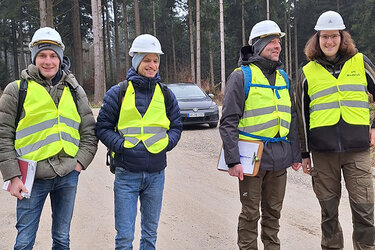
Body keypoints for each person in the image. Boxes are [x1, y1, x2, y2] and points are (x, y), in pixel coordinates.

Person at [0, 27, 98, 249]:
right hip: (30, 179)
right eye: (42, 55)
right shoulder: (17, 90)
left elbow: (89, 132)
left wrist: (80, 163)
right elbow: (3, 135)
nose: (48, 61)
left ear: (60, 58)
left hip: (67, 175)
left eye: (53, 55)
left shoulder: (74, 90)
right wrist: (13, 176)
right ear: (34, 57)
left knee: (62, 239)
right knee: (24, 241)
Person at [296, 10, 375, 250]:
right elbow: (301, 116)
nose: (329, 42)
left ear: (343, 38)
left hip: (358, 152)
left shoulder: (360, 62)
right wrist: (304, 153)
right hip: (323, 154)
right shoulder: (306, 72)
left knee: (364, 212)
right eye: (324, 37)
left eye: (334, 36)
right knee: (328, 214)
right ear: (316, 40)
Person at [219, 20, 301, 249]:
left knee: (273, 213)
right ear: (258, 45)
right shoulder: (241, 76)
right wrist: (232, 160)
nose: (278, 46)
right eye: (272, 42)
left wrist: (295, 154)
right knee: (250, 213)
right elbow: (228, 122)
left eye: (278, 42)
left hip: (279, 159)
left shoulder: (284, 78)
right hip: (250, 160)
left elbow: (291, 118)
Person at [95, 34, 182, 249]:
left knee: (149, 235)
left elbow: (176, 127)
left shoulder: (166, 94)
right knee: (124, 238)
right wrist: (122, 146)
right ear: (136, 61)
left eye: (155, 60)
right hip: (126, 175)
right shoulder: (118, 92)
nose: (152, 65)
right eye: (146, 60)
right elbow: (102, 127)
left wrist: (165, 144)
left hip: (156, 175)